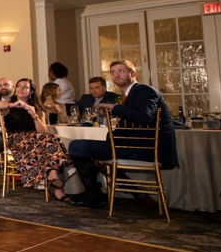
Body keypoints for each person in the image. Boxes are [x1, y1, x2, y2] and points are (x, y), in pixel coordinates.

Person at [65, 61, 179, 209]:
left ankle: (95, 195)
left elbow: (144, 117)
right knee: (91, 151)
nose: (116, 75)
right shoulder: (130, 94)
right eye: (113, 72)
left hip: (146, 148)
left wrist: (113, 107)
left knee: (76, 146)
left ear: (133, 74)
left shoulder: (144, 90)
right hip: (133, 144)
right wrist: (103, 148)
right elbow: (129, 127)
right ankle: (137, 195)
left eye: (121, 71)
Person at [0, 78, 73, 199]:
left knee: (50, 139)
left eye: (25, 87)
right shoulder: (8, 104)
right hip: (16, 139)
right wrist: (13, 104)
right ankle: (54, 180)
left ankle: (53, 178)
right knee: (50, 141)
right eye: (19, 86)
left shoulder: (37, 108)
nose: (21, 89)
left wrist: (34, 115)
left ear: (31, 91)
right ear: (15, 89)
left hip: (35, 140)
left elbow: (42, 131)